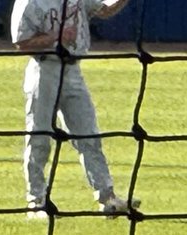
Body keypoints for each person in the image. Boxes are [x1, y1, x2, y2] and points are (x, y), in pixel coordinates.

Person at [10, 0, 138, 219]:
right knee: (39, 137)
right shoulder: (29, 2)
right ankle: (36, 203)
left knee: (89, 135)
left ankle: (108, 199)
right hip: (44, 70)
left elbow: (105, 10)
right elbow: (22, 43)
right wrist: (56, 39)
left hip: (72, 71)